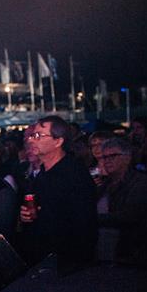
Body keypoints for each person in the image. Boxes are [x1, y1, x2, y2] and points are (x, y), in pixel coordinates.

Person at [19, 116, 97, 274]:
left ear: (58, 141)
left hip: (67, 263)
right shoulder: (42, 174)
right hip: (43, 258)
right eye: (33, 136)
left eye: (40, 136)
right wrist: (27, 216)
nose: (32, 140)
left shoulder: (74, 174)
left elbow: (84, 223)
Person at [96, 137, 147, 265]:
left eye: (113, 156)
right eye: (104, 157)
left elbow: (130, 216)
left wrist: (92, 218)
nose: (108, 161)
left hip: (131, 255)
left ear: (127, 158)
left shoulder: (141, 183)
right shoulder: (104, 185)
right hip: (105, 254)